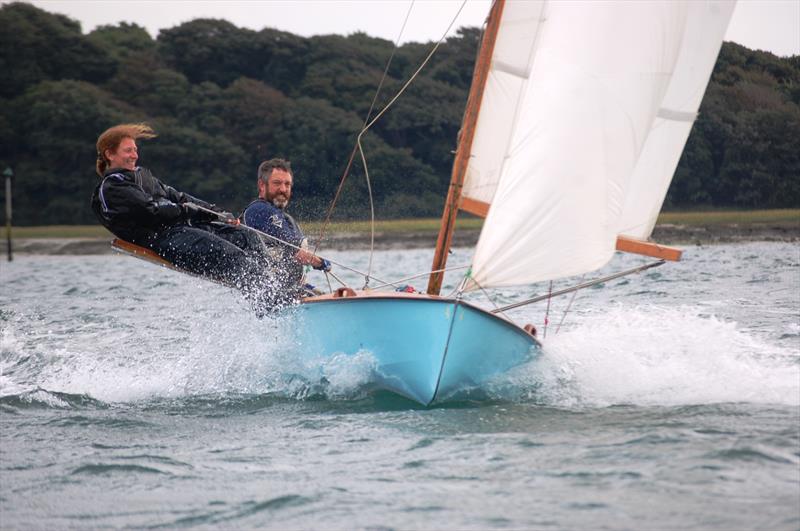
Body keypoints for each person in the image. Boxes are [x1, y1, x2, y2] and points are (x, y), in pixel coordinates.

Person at [90, 123, 289, 312]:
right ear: (110, 154)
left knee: (248, 237)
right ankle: (271, 302)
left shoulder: (141, 176)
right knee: (238, 258)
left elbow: (180, 198)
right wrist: (193, 211)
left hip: (187, 229)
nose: (135, 155)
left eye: (135, 149)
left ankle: (274, 288)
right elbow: (153, 210)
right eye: (128, 151)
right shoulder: (112, 188)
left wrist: (217, 213)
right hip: (166, 240)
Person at [241, 158, 331, 287]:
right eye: (277, 183)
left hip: (290, 293)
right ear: (261, 185)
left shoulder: (286, 218)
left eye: (287, 184)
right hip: (271, 296)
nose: (283, 189)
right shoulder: (259, 210)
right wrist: (322, 263)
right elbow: (295, 251)